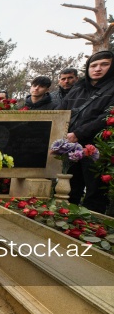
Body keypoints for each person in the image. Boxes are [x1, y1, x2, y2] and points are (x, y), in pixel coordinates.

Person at [61, 50, 114, 213]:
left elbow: (108, 116)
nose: (98, 69)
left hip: (97, 147)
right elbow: (60, 111)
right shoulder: (78, 89)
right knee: (69, 187)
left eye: (104, 64)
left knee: (94, 191)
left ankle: (90, 227)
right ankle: (66, 219)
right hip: (71, 146)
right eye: (93, 65)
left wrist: (79, 133)